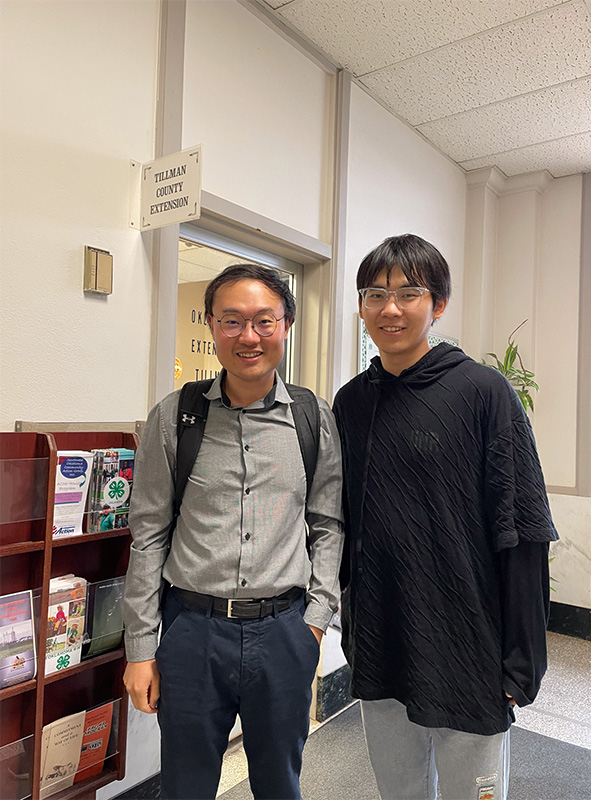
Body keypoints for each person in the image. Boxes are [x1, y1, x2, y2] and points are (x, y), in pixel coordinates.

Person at [333, 234, 558, 800]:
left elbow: (524, 526)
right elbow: (345, 522)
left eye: (408, 293)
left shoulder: (484, 392)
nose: (390, 308)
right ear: (361, 306)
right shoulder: (352, 402)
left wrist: (521, 663)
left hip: (468, 642)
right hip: (383, 640)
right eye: (375, 294)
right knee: (399, 791)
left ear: (438, 304)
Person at [123, 264, 343, 800]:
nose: (249, 336)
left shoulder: (313, 418)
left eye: (265, 321)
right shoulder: (174, 417)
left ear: (286, 325)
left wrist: (315, 622)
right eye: (232, 321)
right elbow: (149, 535)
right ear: (211, 325)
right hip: (192, 632)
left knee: (279, 785)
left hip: (284, 631)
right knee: (186, 786)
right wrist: (140, 649)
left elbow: (328, 525)